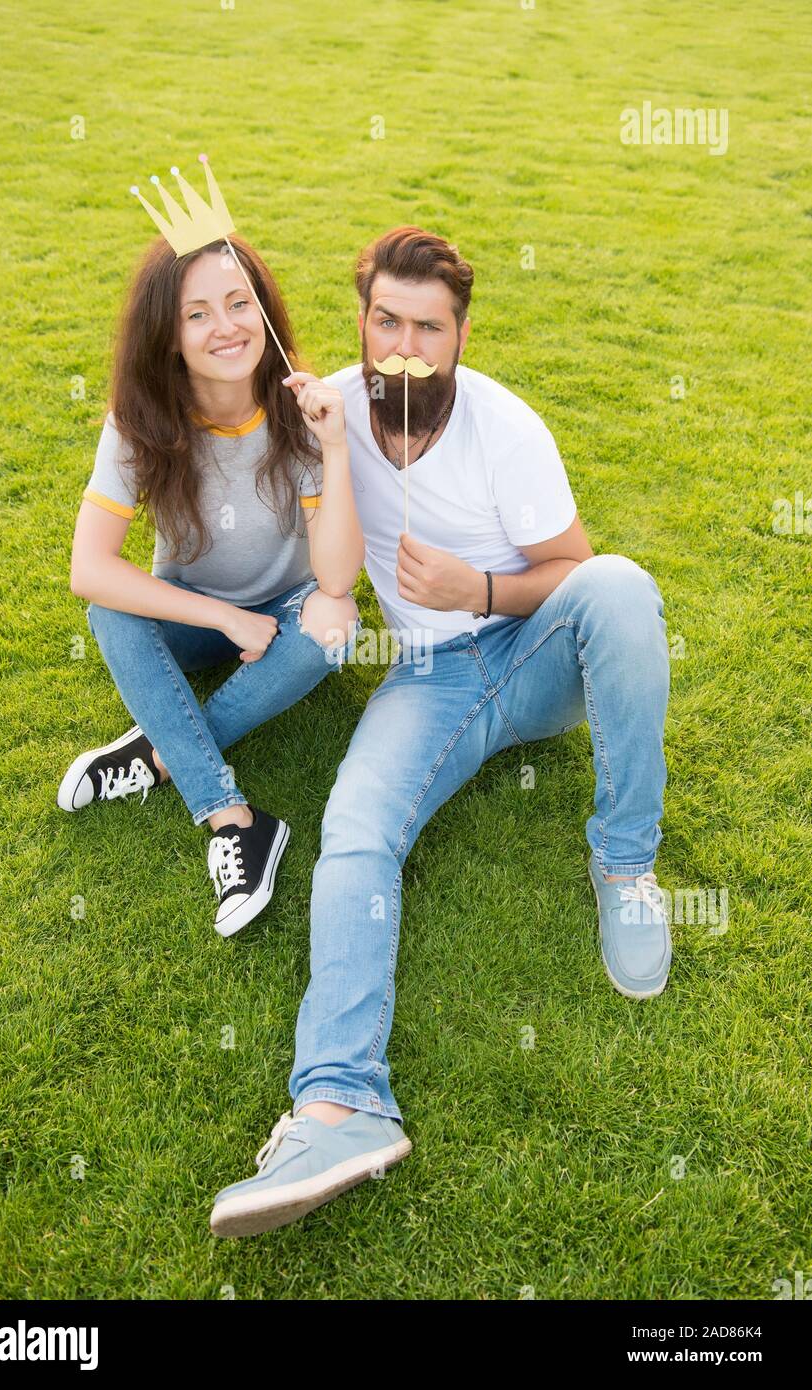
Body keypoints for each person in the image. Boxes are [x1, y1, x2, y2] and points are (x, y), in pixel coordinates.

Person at [210, 226, 672, 1237]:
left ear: (461, 334)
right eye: (387, 321)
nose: (405, 347)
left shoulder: (507, 431)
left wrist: (481, 589)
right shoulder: (334, 409)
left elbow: (575, 572)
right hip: (425, 679)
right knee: (354, 830)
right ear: (361, 320)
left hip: (536, 656)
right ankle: (340, 1106)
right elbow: (232, 438)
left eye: (428, 328)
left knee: (620, 586)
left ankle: (625, 864)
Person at [58, 231, 364, 935]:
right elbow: (89, 569)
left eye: (239, 303)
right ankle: (234, 819)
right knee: (110, 611)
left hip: (287, 609)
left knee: (336, 623)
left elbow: (337, 578)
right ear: (168, 335)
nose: (225, 326)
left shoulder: (302, 411)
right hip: (195, 614)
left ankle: (159, 754)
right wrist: (224, 618)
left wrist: (335, 446)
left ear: (265, 312)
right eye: (197, 314)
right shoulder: (139, 422)